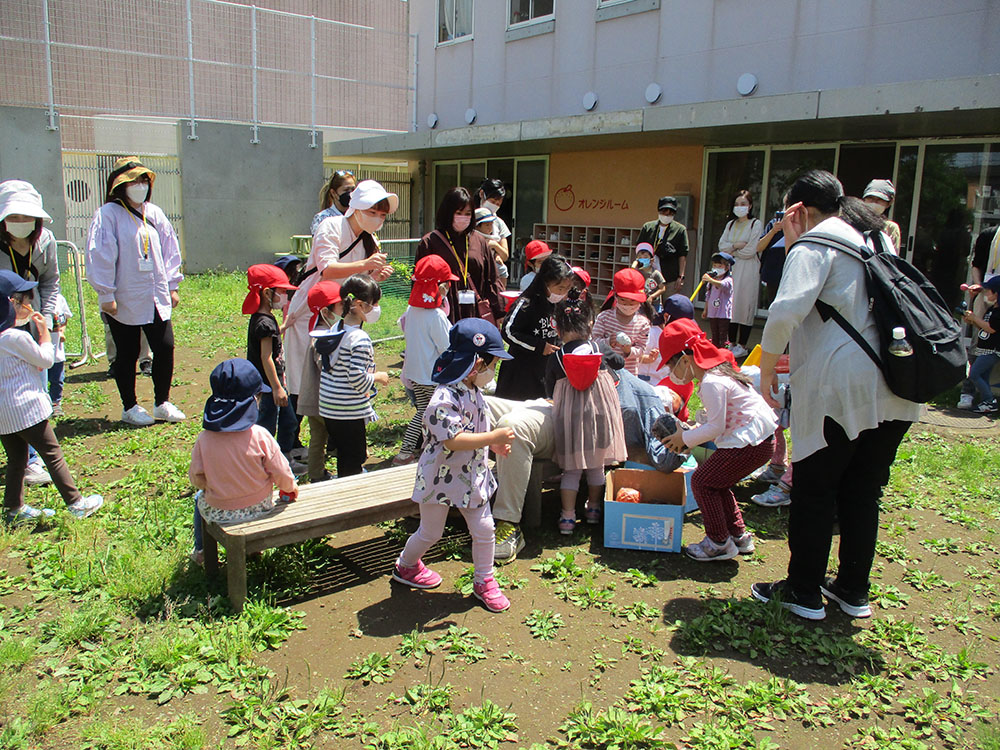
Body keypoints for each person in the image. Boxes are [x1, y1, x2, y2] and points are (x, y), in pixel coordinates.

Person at [751, 169, 921, 621]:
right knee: (863, 492)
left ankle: (803, 591)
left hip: (842, 388)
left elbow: (786, 309)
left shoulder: (815, 241)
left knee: (815, 488)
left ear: (797, 210)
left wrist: (766, 372)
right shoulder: (875, 237)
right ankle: (852, 590)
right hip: (896, 384)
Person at [487, 364, 687, 564]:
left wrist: (688, 438)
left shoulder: (647, 401)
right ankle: (464, 495)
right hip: (548, 407)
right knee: (481, 405)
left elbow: (660, 457)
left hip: (566, 424)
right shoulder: (630, 379)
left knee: (512, 426)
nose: (671, 394)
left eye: (675, 403)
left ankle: (509, 522)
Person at [392, 318, 515, 613]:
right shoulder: (442, 398)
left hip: (472, 476)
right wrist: (494, 436)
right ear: (476, 364)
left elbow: (472, 433)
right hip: (440, 478)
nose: (493, 370)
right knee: (431, 532)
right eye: (492, 363)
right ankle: (406, 566)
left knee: (485, 527)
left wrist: (492, 445)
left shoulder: (473, 390)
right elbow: (453, 440)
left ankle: (484, 580)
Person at [659, 319, 777, 561]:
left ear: (684, 359)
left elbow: (716, 426)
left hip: (747, 444)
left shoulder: (713, 382)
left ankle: (718, 542)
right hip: (758, 441)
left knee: (702, 482)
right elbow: (718, 420)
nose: (671, 372)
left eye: (671, 364)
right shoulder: (718, 372)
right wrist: (693, 430)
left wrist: (685, 438)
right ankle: (738, 535)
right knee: (717, 482)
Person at [85, 156, 185, 426]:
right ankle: (129, 406)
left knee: (164, 347)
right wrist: (106, 294)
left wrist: (173, 285)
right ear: (120, 186)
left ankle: (162, 402)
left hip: (155, 294)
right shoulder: (108, 215)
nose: (139, 185)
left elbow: (170, 249)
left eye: (143, 180)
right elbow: (100, 254)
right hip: (125, 295)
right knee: (127, 353)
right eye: (133, 181)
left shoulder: (154, 213)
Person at [284, 180, 396, 408]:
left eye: (382, 215)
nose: (377, 218)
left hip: (345, 311)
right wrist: (365, 263)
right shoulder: (331, 226)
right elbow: (327, 268)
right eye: (372, 212)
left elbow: (359, 280)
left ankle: (335, 418)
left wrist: (375, 276)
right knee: (301, 370)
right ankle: (292, 432)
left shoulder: (370, 239)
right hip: (315, 306)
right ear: (355, 208)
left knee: (340, 366)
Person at [0, 294, 103, 524]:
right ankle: (76, 503)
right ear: (8, 307)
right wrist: (45, 331)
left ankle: (13, 509)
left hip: (3, 415)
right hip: (27, 410)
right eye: (20, 301)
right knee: (52, 454)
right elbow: (46, 360)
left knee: (17, 459)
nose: (26, 304)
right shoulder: (16, 337)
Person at [189, 358, 298, 564]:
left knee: (198, 499)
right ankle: (253, 552)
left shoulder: (204, 438)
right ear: (254, 400)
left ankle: (201, 550)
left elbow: (196, 477)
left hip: (219, 511)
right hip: (259, 507)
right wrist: (290, 488)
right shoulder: (260, 435)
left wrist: (212, 489)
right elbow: (281, 472)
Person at [546, 299, 626, 534]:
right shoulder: (599, 349)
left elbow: (549, 389)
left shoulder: (556, 357)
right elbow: (620, 363)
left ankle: (567, 518)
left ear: (558, 329)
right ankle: (593, 509)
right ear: (590, 325)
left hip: (570, 420)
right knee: (596, 466)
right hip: (600, 416)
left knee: (571, 470)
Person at [314, 274, 389, 477]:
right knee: (353, 459)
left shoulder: (335, 328)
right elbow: (356, 378)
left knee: (345, 455)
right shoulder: (360, 338)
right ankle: (352, 496)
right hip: (348, 410)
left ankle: (345, 480)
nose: (376, 309)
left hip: (329, 406)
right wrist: (378, 377)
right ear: (359, 305)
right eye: (373, 304)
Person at [242, 264, 305, 474]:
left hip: (273, 384)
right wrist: (277, 387)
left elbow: (269, 339)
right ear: (267, 293)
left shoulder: (263, 319)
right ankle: (264, 465)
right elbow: (266, 356)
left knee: (289, 421)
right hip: (269, 387)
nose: (285, 296)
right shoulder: (264, 323)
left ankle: (284, 458)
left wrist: (284, 327)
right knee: (267, 426)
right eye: (283, 291)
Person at [395, 256, 457, 465]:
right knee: (427, 413)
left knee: (424, 411)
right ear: (439, 287)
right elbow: (446, 347)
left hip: (415, 372)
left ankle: (427, 448)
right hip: (431, 375)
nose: (448, 287)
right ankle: (405, 453)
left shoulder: (412, 310)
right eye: (446, 284)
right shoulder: (436, 316)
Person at [416, 188, 503, 325]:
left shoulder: (479, 241)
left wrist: (499, 311)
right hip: (444, 315)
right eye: (458, 213)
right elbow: (419, 283)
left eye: (468, 214)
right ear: (448, 213)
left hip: (476, 313)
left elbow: (491, 278)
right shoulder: (430, 242)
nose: (463, 217)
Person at [496, 255, 573, 400]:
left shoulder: (558, 305)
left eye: (567, 289)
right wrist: (538, 346)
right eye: (560, 288)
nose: (562, 293)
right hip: (521, 372)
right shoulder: (526, 304)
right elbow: (508, 331)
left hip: (546, 370)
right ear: (545, 283)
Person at [295, 281, 343, 483]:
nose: (343, 308)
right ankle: (347, 474)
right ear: (325, 310)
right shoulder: (323, 336)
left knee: (317, 439)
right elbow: (325, 365)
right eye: (339, 305)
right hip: (325, 400)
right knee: (340, 437)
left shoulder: (318, 330)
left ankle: (316, 474)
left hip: (312, 399)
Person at [718, 190, 763, 358]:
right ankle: (732, 343)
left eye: (743, 204)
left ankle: (743, 344)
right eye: (737, 204)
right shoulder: (730, 225)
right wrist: (737, 245)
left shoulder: (755, 224)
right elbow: (722, 246)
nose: (740, 207)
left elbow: (751, 251)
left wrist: (733, 249)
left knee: (745, 304)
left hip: (748, 268)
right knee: (731, 304)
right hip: (732, 268)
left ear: (750, 206)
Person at [593, 268, 651, 376]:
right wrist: (608, 342)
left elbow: (641, 349)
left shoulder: (643, 324)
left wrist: (629, 351)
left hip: (629, 374)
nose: (628, 305)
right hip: (604, 373)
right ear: (616, 297)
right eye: (623, 300)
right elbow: (594, 341)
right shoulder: (604, 318)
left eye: (632, 301)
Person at [962, 276, 1000, 413]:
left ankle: (990, 401)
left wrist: (975, 318)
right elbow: (984, 327)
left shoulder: (998, 312)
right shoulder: (991, 309)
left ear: (997, 293)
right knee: (983, 376)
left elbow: (991, 328)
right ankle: (986, 402)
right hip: (985, 349)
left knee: (974, 373)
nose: (986, 293)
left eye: (988, 291)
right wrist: (972, 320)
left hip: (993, 351)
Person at [636, 196, 689, 294]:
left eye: (670, 213)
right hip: (647, 274)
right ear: (659, 211)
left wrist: (681, 277)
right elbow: (639, 249)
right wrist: (636, 268)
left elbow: (682, 255)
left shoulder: (680, 230)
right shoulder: (648, 227)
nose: (667, 215)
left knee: (669, 305)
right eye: (664, 211)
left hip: (669, 275)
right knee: (646, 302)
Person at [473, 178, 512, 265]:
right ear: (482, 194)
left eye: (498, 204)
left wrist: (494, 245)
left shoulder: (499, 222)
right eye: (492, 201)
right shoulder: (470, 218)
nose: (495, 206)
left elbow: (505, 256)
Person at [701, 252, 735, 348]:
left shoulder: (728, 280)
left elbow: (722, 285)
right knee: (714, 334)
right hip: (713, 312)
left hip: (723, 313)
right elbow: (708, 295)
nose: (717, 268)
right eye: (715, 266)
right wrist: (705, 309)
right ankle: (715, 351)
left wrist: (710, 280)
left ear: (727, 268)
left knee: (722, 335)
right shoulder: (711, 281)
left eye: (720, 266)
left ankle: (723, 352)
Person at [756, 204, 787, 308]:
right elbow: (759, 247)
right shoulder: (773, 224)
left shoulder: (801, 225)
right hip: (773, 274)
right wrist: (773, 231)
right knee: (773, 308)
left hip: (790, 274)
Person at [47, 292, 72, 417]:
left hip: (57, 350)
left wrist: (62, 330)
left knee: (57, 379)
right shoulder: (35, 300)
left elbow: (65, 317)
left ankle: (56, 403)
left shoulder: (59, 298)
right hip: (40, 352)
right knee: (41, 380)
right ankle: (43, 406)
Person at [311, 170, 357, 235]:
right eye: (346, 190)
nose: (350, 193)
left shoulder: (358, 216)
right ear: (333, 193)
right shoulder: (322, 218)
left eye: (353, 190)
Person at [862, 179, 901, 252]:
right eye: (870, 198)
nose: (874, 202)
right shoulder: (854, 221)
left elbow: (892, 258)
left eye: (880, 199)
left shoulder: (890, 228)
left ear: (889, 203)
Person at [474, 207, 509, 289]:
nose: (490, 227)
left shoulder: (493, 238)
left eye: (491, 224)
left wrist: (496, 248)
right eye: (487, 225)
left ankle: (502, 292)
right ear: (477, 226)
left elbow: (505, 256)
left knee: (502, 269)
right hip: (479, 267)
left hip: (491, 264)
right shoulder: (474, 237)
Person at [631, 243, 667, 310]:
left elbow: (663, 288)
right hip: (640, 303)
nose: (642, 259)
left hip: (654, 304)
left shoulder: (655, 273)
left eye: (645, 257)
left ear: (652, 260)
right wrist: (633, 267)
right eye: (640, 258)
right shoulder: (638, 273)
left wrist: (652, 296)